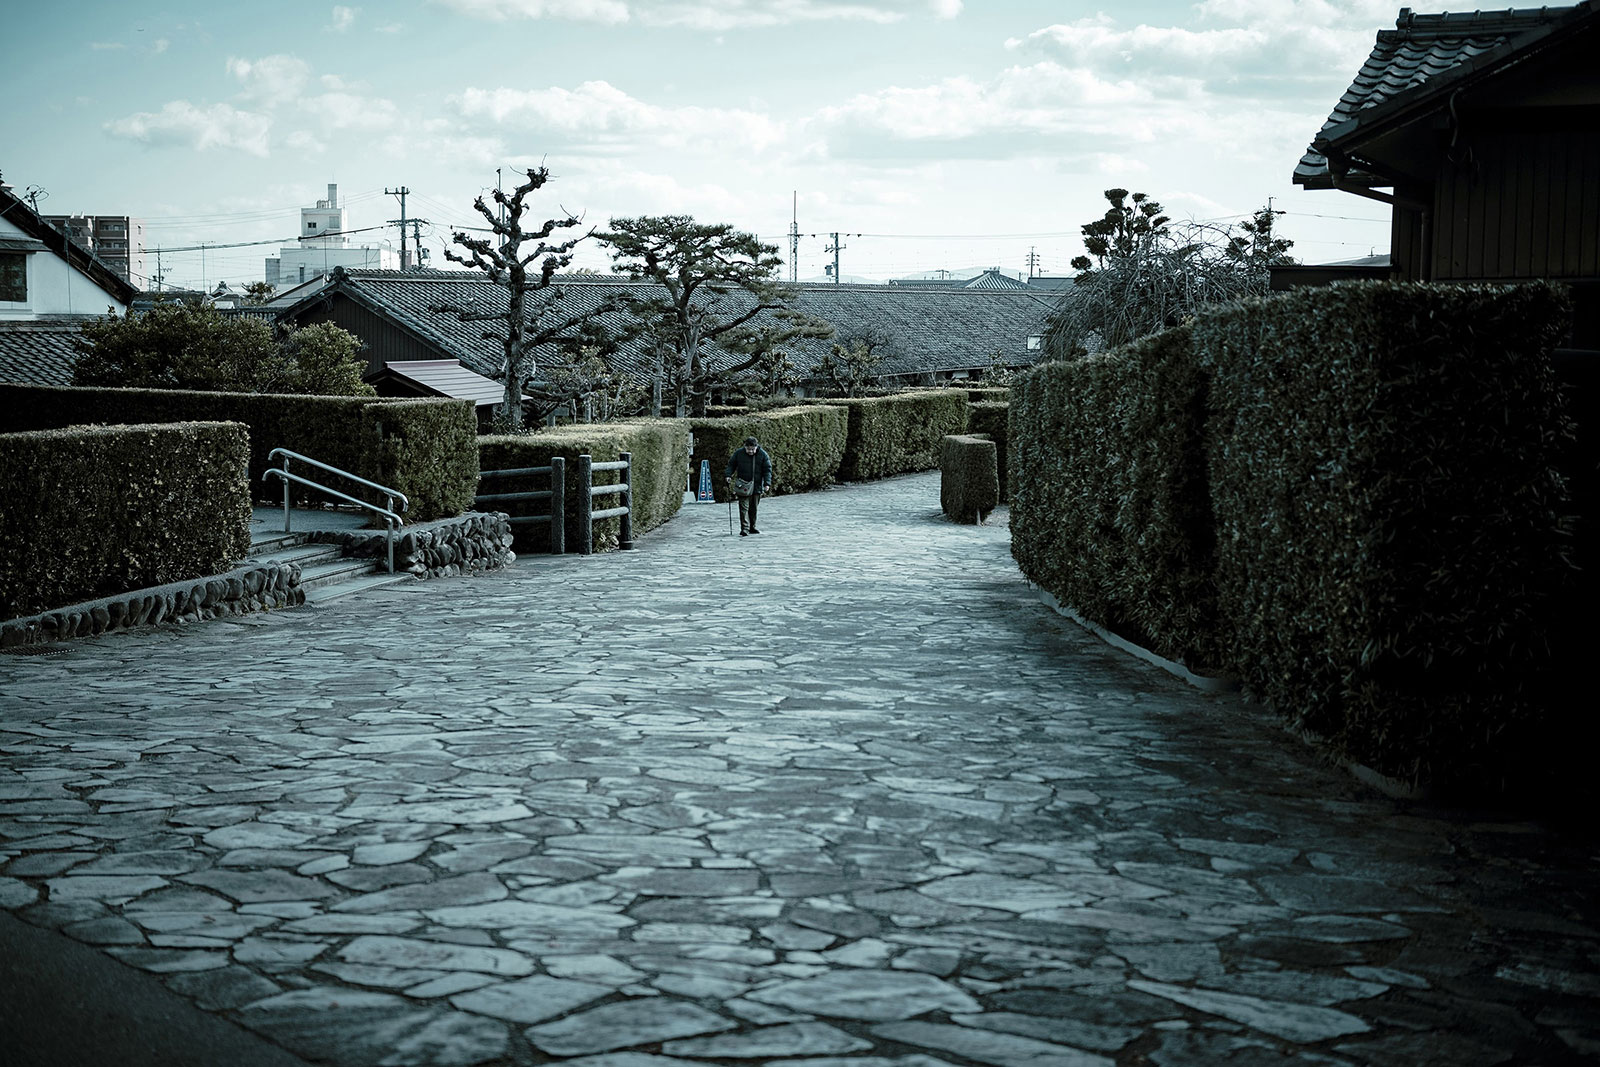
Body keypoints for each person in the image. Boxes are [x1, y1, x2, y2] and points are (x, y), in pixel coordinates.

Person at [725, 435, 773, 536]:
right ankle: (745, 528)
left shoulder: (763, 455)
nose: (750, 451)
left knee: (753, 508)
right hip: (743, 485)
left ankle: (752, 527)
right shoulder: (738, 453)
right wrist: (728, 475)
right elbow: (731, 464)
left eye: (752, 449)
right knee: (743, 508)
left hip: (757, 485)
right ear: (745, 447)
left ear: (756, 447)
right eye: (748, 449)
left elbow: (767, 470)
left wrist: (767, 483)